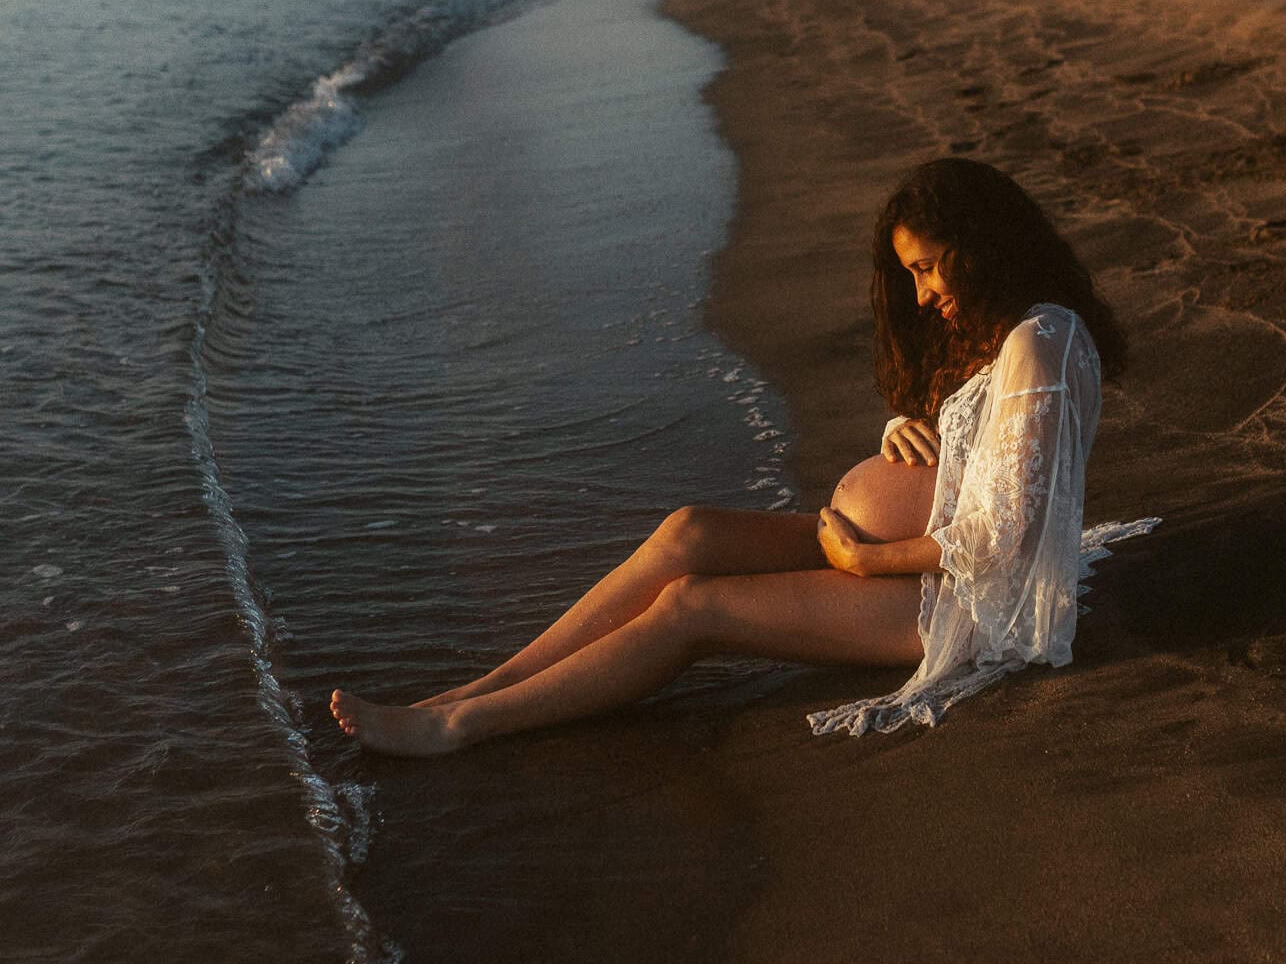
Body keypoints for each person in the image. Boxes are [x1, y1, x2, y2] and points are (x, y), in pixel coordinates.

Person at [329, 158, 1152, 755]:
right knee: (689, 531)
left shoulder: (1039, 346)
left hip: (965, 608)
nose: (921, 294)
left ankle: (461, 723)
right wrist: (902, 439)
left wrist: (862, 560)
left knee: (693, 605)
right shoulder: (1027, 333)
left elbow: (1000, 536)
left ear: (980, 247)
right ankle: (483, 683)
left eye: (927, 268)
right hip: (912, 564)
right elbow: (992, 466)